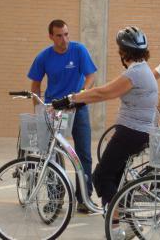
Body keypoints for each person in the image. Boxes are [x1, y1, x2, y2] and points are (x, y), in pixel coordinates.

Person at [51, 26, 158, 209]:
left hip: (130, 133)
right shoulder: (142, 69)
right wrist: (81, 101)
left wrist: (70, 99)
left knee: (101, 176)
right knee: (115, 177)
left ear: (123, 52)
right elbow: (103, 93)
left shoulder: (134, 73)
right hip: (139, 132)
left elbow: (103, 93)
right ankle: (123, 217)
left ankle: (115, 222)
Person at [27, 19, 97, 213]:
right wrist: (39, 109)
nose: (64, 39)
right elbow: (35, 85)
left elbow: (91, 75)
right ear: (51, 36)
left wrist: (82, 93)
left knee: (83, 154)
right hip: (54, 110)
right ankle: (56, 199)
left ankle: (84, 198)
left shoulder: (79, 50)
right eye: (59, 35)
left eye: (66, 34)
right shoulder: (44, 57)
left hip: (77, 108)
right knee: (52, 156)